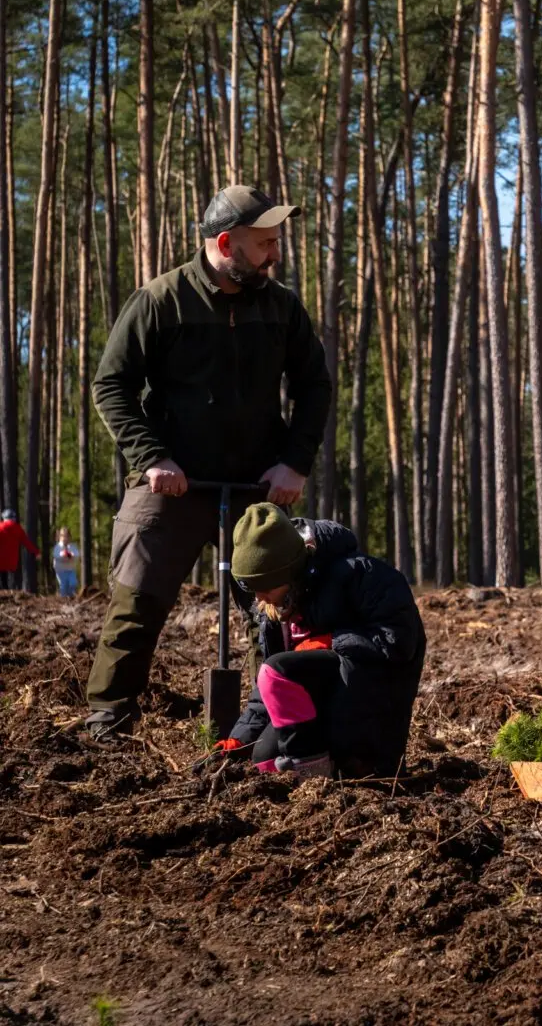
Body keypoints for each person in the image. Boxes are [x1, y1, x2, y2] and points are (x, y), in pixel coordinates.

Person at [85, 185, 332, 740]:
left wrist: (293, 462)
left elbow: (315, 385)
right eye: (265, 243)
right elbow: (112, 385)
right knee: (136, 598)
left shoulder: (281, 306)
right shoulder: (160, 300)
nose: (275, 254)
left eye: (276, 241)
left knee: (276, 603)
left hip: (256, 481)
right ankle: (108, 720)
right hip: (172, 479)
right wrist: (151, 457)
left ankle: (271, 723)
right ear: (227, 244)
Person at [218, 502, 426, 781]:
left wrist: (331, 641)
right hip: (317, 710)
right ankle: (319, 764)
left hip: (370, 709)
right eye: (251, 589)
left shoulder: (364, 576)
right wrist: (239, 738)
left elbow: (399, 641)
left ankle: (321, 771)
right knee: (262, 758)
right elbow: (268, 686)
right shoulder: (274, 607)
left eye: (265, 587)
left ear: (289, 573)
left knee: (280, 670)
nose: (259, 599)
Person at [0, 510, 40, 592]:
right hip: (12, 561)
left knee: (2, 577)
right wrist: (36, 552)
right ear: (14, 518)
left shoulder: (0, 527)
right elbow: (27, 543)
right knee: (10, 579)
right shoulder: (18, 529)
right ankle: (10, 593)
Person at [52, 529, 80, 598]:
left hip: (71, 570)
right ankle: (63, 599)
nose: (65, 538)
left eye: (67, 536)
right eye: (63, 536)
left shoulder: (72, 546)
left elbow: (77, 554)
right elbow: (56, 555)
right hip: (61, 570)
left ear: (70, 537)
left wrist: (71, 555)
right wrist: (62, 555)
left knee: (73, 583)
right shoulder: (58, 547)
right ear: (60, 537)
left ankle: (71, 597)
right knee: (63, 585)